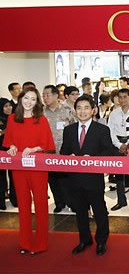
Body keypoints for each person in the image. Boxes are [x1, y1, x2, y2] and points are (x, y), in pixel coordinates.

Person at [60, 95, 119, 256]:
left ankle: (101, 241)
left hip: (94, 179)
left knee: (99, 211)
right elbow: (63, 152)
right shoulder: (69, 130)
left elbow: (109, 151)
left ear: (93, 110)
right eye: (79, 108)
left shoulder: (102, 129)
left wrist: (93, 159)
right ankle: (84, 239)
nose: (82, 111)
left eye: (86, 108)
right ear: (75, 111)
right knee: (80, 212)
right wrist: (69, 156)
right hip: (75, 179)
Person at [4, 87, 55, 255]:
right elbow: (10, 141)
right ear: (20, 99)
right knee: (23, 205)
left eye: (33, 99)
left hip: (37, 167)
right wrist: (12, 147)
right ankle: (24, 242)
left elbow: (47, 144)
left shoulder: (41, 119)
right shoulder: (12, 119)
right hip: (19, 168)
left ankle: (41, 243)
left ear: (37, 102)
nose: (29, 102)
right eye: (26, 98)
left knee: (40, 204)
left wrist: (33, 149)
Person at [42, 85, 76, 213]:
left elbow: (74, 128)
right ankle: (59, 203)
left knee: (67, 179)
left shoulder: (67, 110)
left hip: (65, 151)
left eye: (48, 95)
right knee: (53, 180)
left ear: (56, 95)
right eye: (43, 95)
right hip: (48, 152)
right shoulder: (41, 113)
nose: (45, 98)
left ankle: (72, 203)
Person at [107, 88, 129, 211]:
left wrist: (128, 144)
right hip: (117, 145)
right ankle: (121, 201)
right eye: (120, 97)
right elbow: (110, 130)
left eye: (125, 97)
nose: (122, 100)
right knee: (119, 176)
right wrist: (118, 145)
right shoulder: (114, 113)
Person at [0, 98, 15, 210]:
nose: (9, 108)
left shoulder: (15, 119)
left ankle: (14, 199)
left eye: (10, 105)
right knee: (1, 177)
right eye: (5, 106)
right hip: (1, 151)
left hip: (13, 151)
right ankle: (1, 200)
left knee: (14, 176)